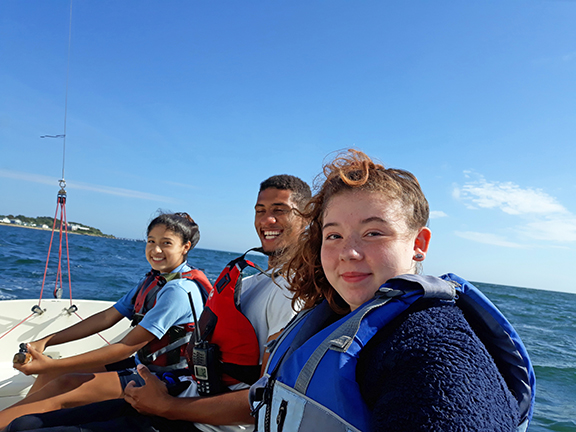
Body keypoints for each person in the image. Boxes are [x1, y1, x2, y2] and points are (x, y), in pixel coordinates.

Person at [4, 174, 312, 432]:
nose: (267, 219)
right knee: (28, 420)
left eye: (279, 210)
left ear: (308, 215)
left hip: (188, 409)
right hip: (174, 392)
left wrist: (170, 406)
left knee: (49, 399)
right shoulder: (250, 282)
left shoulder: (292, 297)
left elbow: (267, 399)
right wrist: (47, 341)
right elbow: (109, 316)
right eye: (260, 210)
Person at [250, 150, 531, 432]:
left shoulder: (434, 352)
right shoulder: (331, 317)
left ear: (419, 243)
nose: (348, 252)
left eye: (373, 233)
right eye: (334, 235)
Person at [1, 212, 211, 429]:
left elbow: (124, 348)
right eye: (151, 241)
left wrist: (51, 363)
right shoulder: (154, 280)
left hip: (167, 379)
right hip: (142, 364)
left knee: (64, 384)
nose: (156, 250)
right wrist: (45, 341)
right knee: (52, 374)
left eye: (166, 243)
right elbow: (106, 317)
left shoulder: (178, 290)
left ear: (185, 247)